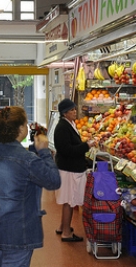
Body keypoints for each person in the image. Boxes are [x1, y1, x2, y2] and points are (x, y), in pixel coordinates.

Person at [0, 106, 61, 267]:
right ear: (21, 128)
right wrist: (44, 152)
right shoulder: (29, 160)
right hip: (18, 234)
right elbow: (53, 181)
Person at [53, 98, 97, 242]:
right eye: (71, 110)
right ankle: (66, 233)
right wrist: (87, 146)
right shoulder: (62, 128)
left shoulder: (69, 124)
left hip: (70, 168)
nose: (74, 112)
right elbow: (67, 150)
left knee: (68, 200)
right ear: (64, 113)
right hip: (68, 169)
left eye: (74, 109)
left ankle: (62, 226)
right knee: (69, 201)